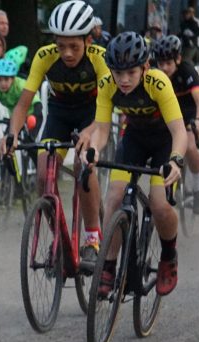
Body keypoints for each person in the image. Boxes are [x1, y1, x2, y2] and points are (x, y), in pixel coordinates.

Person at [2, 0, 107, 274]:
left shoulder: (100, 58)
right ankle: (59, 239)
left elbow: (108, 105)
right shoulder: (44, 56)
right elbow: (23, 103)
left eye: (74, 46)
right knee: (41, 175)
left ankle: (92, 239)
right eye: (61, 46)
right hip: (60, 115)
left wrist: (90, 130)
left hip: (93, 114)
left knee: (85, 165)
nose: (67, 53)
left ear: (88, 40)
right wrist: (12, 133)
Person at [82, 31, 186, 298]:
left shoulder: (158, 82)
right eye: (118, 73)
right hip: (135, 140)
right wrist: (92, 150)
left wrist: (175, 160)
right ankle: (108, 266)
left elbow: (179, 131)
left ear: (145, 67)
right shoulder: (107, 85)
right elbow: (102, 131)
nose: (124, 80)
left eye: (131, 72)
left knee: (160, 204)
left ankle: (168, 255)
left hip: (164, 142)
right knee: (115, 197)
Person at [153, 34, 199, 214]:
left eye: (169, 63)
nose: (164, 68)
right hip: (168, 117)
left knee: (191, 147)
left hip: (189, 116)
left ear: (178, 58)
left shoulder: (187, 70)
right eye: (161, 63)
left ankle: (198, 188)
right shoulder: (155, 72)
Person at [0, 58, 41, 132]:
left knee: (28, 142)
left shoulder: (21, 85)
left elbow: (37, 103)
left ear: (13, 79)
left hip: (32, 114)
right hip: (15, 118)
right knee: (6, 141)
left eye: (6, 79)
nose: (3, 83)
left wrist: (35, 116)